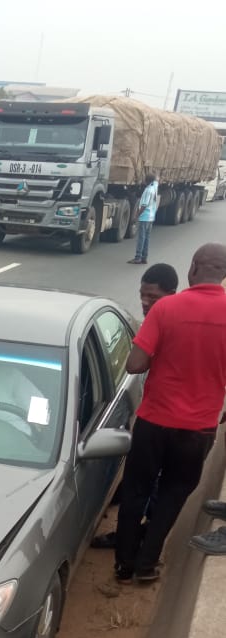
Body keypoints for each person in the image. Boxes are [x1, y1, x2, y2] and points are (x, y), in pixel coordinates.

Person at [114, 243, 226, 583]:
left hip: (154, 422)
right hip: (199, 429)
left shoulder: (167, 309)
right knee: (173, 494)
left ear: (193, 268)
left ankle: (124, 565)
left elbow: (135, 364)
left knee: (135, 491)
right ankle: (147, 566)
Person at [91, 262, 179, 549]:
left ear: (172, 293)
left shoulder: (164, 321)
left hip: (163, 420)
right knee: (158, 483)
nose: (144, 302)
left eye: (152, 297)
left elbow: (134, 365)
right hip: (183, 423)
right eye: (142, 294)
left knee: (146, 484)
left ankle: (131, 545)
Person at [127, 172, 159, 265]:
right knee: (147, 238)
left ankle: (138, 257)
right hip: (151, 217)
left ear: (147, 181)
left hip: (145, 217)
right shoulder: (154, 187)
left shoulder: (148, 190)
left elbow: (144, 205)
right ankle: (144, 258)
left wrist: (136, 216)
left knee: (141, 237)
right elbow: (157, 179)